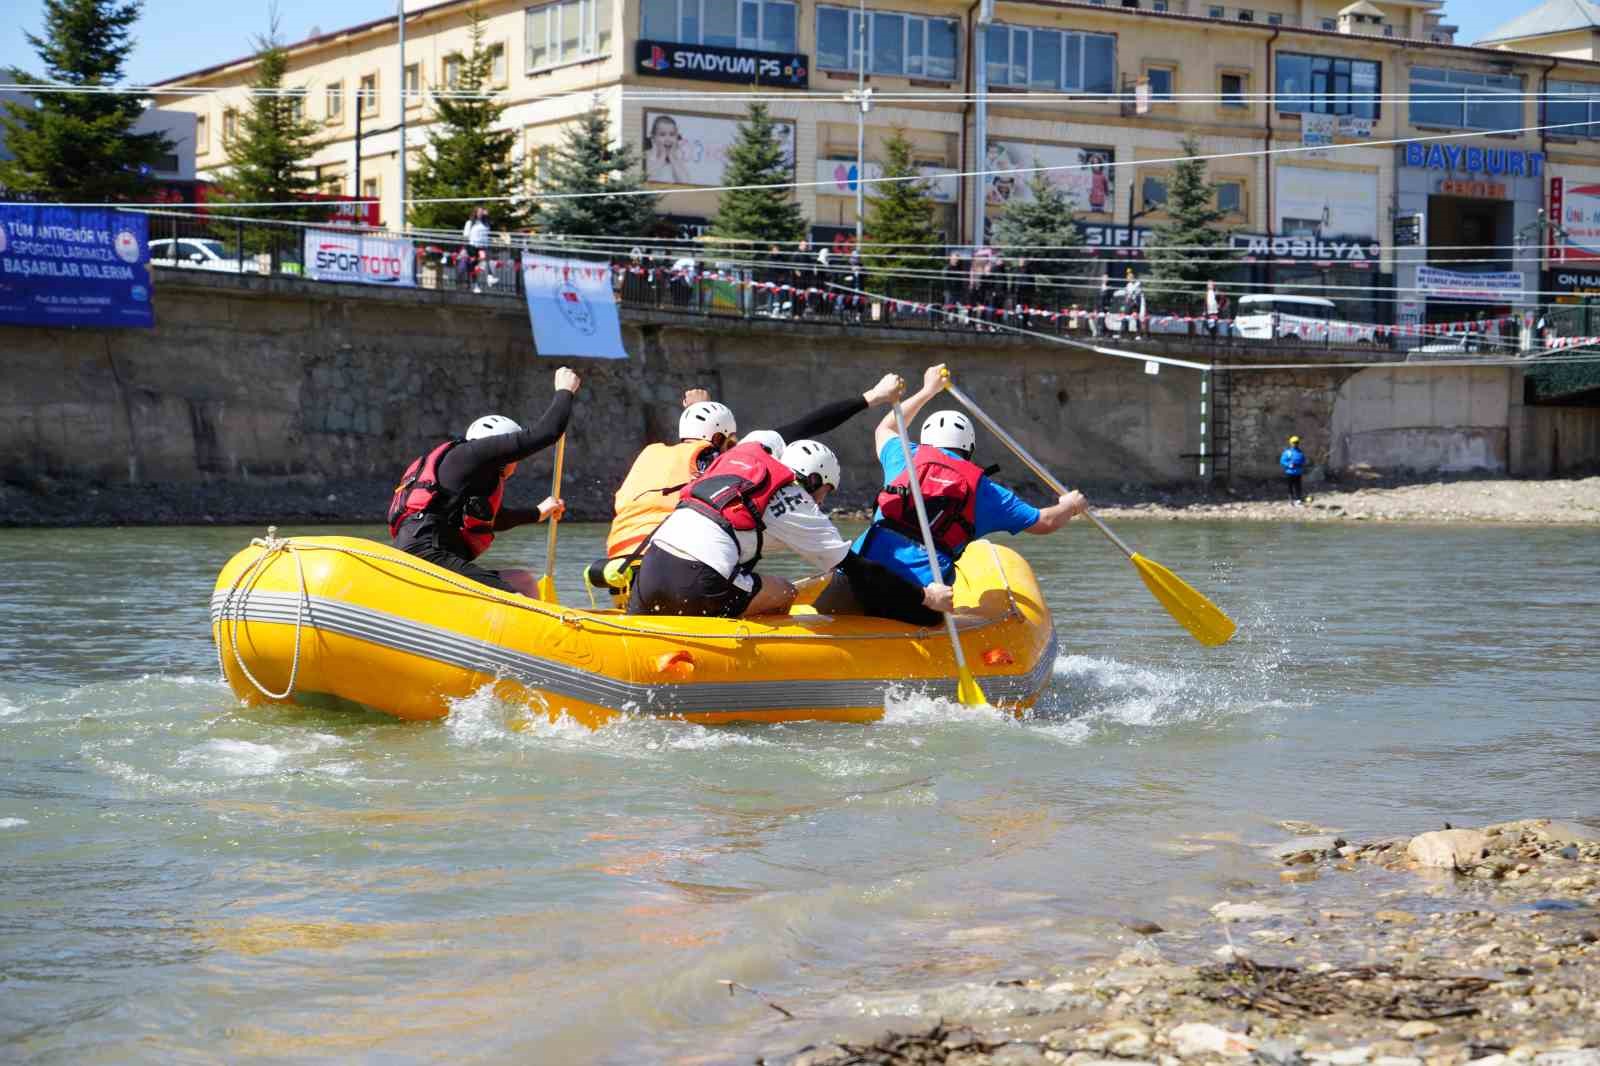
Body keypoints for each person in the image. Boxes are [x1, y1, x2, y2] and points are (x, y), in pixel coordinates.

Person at [592, 373, 909, 597]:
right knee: (775, 585)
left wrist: (698, 410)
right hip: (674, 563)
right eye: (731, 441)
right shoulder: (721, 462)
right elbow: (807, 425)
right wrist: (873, 397)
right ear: (720, 440)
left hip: (617, 568)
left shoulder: (652, 454)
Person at [814, 365, 1089, 619]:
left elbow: (886, 427)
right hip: (921, 599)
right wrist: (1070, 505)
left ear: (926, 440)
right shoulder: (984, 489)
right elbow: (1044, 522)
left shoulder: (904, 455)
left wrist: (927, 390)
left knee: (829, 606)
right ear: (969, 450)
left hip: (862, 578)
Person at [627, 433, 954, 620]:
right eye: (824, 493)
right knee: (785, 591)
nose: (821, 504)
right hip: (699, 581)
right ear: (813, 481)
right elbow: (858, 570)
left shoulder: (742, 473)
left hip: (650, 570)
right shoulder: (794, 500)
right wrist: (924, 596)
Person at [388, 367, 581, 596]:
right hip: (428, 554)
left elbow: (492, 520)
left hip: (436, 554)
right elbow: (547, 433)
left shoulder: (464, 473)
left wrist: (539, 512)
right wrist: (565, 391)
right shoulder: (472, 454)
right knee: (513, 599)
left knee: (523, 581)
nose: (515, 464)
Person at [645, 114, 691, 184]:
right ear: (653, 138)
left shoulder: (677, 158)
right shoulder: (648, 156)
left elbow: (685, 182)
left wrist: (672, 156)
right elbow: (648, 178)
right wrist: (662, 156)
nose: (668, 139)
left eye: (672, 134)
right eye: (662, 135)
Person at [1280, 435, 1308, 506]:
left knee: (1298, 487)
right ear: (1291, 443)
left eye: (1297, 442)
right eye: (1294, 442)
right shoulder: (1288, 452)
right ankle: (1291, 500)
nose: (1296, 444)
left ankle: (1298, 500)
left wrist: (1302, 465)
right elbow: (1282, 461)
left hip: (1298, 473)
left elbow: (1304, 461)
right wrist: (1288, 464)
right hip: (1290, 473)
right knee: (1290, 487)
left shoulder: (1300, 452)